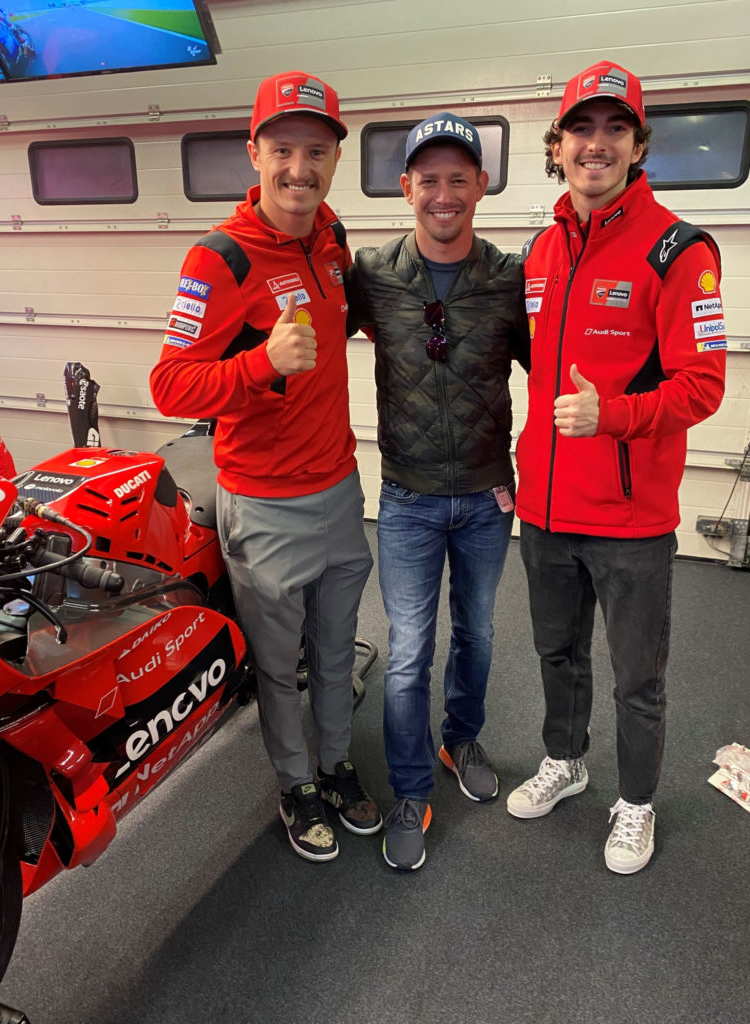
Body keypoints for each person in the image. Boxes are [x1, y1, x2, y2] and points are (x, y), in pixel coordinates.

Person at [150, 70, 380, 863]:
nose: (298, 169)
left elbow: (342, 322)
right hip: (266, 507)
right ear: (254, 152)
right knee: (278, 668)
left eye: (315, 151)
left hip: (341, 491)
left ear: (333, 159)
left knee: (338, 641)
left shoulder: (333, 235)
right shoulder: (217, 259)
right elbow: (169, 381)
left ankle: (337, 761)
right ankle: (297, 784)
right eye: (282, 149)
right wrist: (261, 365)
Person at [507, 61, 727, 874]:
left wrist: (615, 417)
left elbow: (703, 385)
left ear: (638, 145)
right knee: (555, 656)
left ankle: (636, 805)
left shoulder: (680, 249)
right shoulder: (539, 248)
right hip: (547, 512)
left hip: (632, 521)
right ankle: (567, 762)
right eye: (581, 130)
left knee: (639, 679)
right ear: (557, 145)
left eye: (614, 129)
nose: (596, 144)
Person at [346, 113, 530, 870]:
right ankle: (413, 792)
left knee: (479, 635)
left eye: (460, 178)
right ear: (406, 188)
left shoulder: (510, 276)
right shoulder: (373, 274)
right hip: (408, 501)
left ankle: (460, 741)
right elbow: (307, 330)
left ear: (482, 185)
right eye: (430, 180)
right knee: (407, 652)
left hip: (488, 499)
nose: (444, 194)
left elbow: (553, 367)